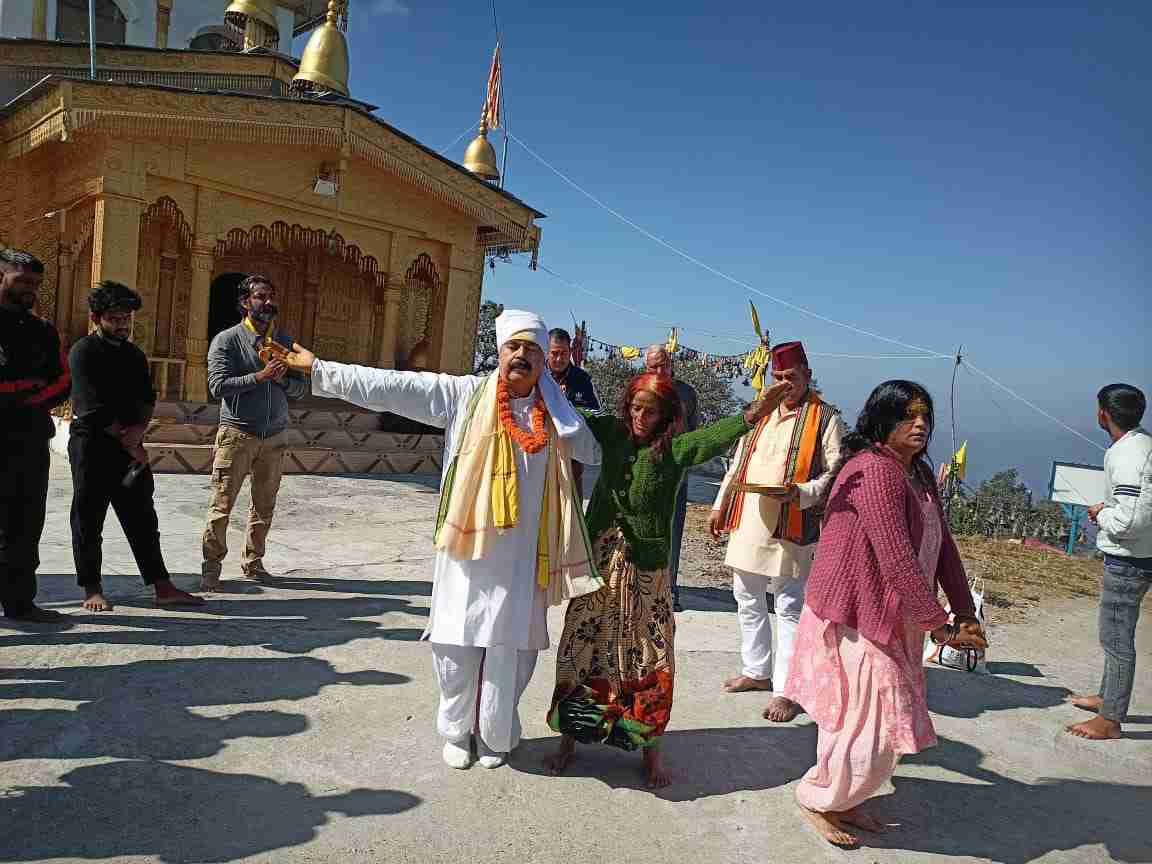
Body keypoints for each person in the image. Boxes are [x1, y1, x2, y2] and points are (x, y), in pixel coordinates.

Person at [285, 310, 602, 769]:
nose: (521, 356)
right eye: (514, 346)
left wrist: (558, 405)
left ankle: (496, 731)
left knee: (512, 646)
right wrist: (320, 370)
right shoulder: (464, 394)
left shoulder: (553, 415)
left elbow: (590, 450)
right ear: (499, 352)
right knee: (456, 640)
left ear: (542, 362)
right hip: (466, 552)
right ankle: (457, 730)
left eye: (531, 350)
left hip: (524, 556)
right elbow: (391, 387)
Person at [545, 375, 788, 788]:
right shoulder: (612, 433)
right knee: (582, 645)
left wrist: (754, 413)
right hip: (601, 562)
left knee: (649, 656)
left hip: (646, 572)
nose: (641, 417)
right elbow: (572, 413)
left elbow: (711, 438)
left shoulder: (674, 451)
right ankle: (571, 737)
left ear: (666, 416)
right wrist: (545, 384)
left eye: (650, 410)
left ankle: (649, 750)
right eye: (636, 408)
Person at [784, 380, 986, 847]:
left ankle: (845, 797)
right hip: (858, 613)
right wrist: (941, 625)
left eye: (925, 417)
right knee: (867, 721)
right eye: (907, 416)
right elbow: (896, 555)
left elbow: (943, 548)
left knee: (880, 722)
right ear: (882, 420)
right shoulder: (874, 470)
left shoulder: (916, 474)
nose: (919, 425)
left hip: (897, 613)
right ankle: (819, 797)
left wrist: (963, 610)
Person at [710, 341, 844, 722]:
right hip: (749, 514)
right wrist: (720, 504)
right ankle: (756, 671)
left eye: (793, 377)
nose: (786, 384)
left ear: (808, 376)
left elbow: (835, 470)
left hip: (793, 517)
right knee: (746, 594)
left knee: (788, 604)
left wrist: (802, 493)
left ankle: (788, 690)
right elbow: (737, 462)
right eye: (779, 377)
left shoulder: (826, 417)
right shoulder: (761, 411)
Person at [68, 282, 203, 612]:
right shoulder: (83, 352)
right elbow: (90, 406)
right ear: (97, 318)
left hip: (130, 447)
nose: (123, 325)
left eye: (127, 318)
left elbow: (147, 397)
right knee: (88, 517)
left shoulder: (133, 355)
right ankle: (92, 588)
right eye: (115, 319)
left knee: (143, 516)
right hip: (93, 445)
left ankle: (162, 586)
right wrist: (128, 441)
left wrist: (139, 432)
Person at [200, 275, 308, 590]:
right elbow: (217, 386)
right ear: (246, 303)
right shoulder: (227, 340)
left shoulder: (285, 342)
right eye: (261, 296)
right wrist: (259, 377)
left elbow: (300, 389)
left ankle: (254, 562)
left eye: (271, 295)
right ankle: (211, 566)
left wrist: (282, 380)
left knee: (264, 504)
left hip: (274, 435)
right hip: (237, 433)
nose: (268, 302)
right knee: (222, 504)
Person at [1066, 383, 1151, 741]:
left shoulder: (1129, 455)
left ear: (1103, 413)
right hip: (1140, 553)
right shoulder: (1140, 445)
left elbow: (1131, 520)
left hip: (1129, 559)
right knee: (1115, 635)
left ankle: (1111, 719)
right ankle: (1107, 697)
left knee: (1115, 637)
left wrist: (1101, 515)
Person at [0, 249, 71, 621]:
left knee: (25, 524)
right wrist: (22, 390)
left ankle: (20, 602)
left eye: (36, 283)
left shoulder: (42, 330)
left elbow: (62, 381)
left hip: (28, 442)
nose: (31, 289)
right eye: (23, 280)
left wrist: (24, 400)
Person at [644, 344, 699, 612]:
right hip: (644, 474)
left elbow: (694, 433)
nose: (659, 371)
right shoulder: (638, 390)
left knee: (672, 533)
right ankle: (640, 587)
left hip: (676, 475)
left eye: (662, 365)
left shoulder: (687, 393)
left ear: (671, 363)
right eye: (653, 366)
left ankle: (670, 590)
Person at [546, 327, 600, 499]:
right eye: (554, 353)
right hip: (540, 456)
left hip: (572, 459)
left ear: (570, 351)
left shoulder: (582, 379)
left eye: (564, 353)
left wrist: (569, 406)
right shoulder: (537, 374)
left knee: (571, 511)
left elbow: (596, 413)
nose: (559, 358)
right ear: (546, 352)